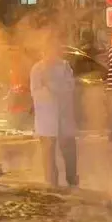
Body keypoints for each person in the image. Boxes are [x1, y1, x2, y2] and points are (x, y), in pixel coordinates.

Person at [30, 42, 78, 187]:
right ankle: (51, 183)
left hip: (64, 117)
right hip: (46, 119)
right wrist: (50, 90)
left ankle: (72, 180)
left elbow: (69, 87)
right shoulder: (37, 69)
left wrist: (51, 86)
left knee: (69, 151)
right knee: (48, 154)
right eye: (47, 52)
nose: (50, 55)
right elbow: (36, 93)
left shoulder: (64, 67)